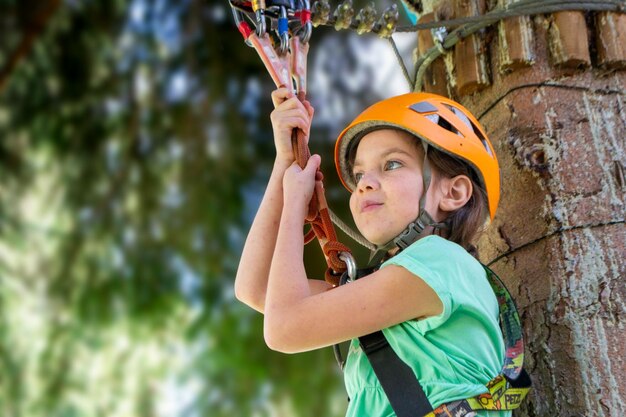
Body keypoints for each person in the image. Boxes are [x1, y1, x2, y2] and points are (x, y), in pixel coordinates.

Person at [235, 87, 510, 417]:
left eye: (392, 164)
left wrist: (295, 203)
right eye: (360, 174)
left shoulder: (440, 262)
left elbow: (284, 326)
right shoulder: (401, 286)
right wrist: (284, 165)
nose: (364, 183)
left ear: (453, 192)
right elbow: (258, 287)